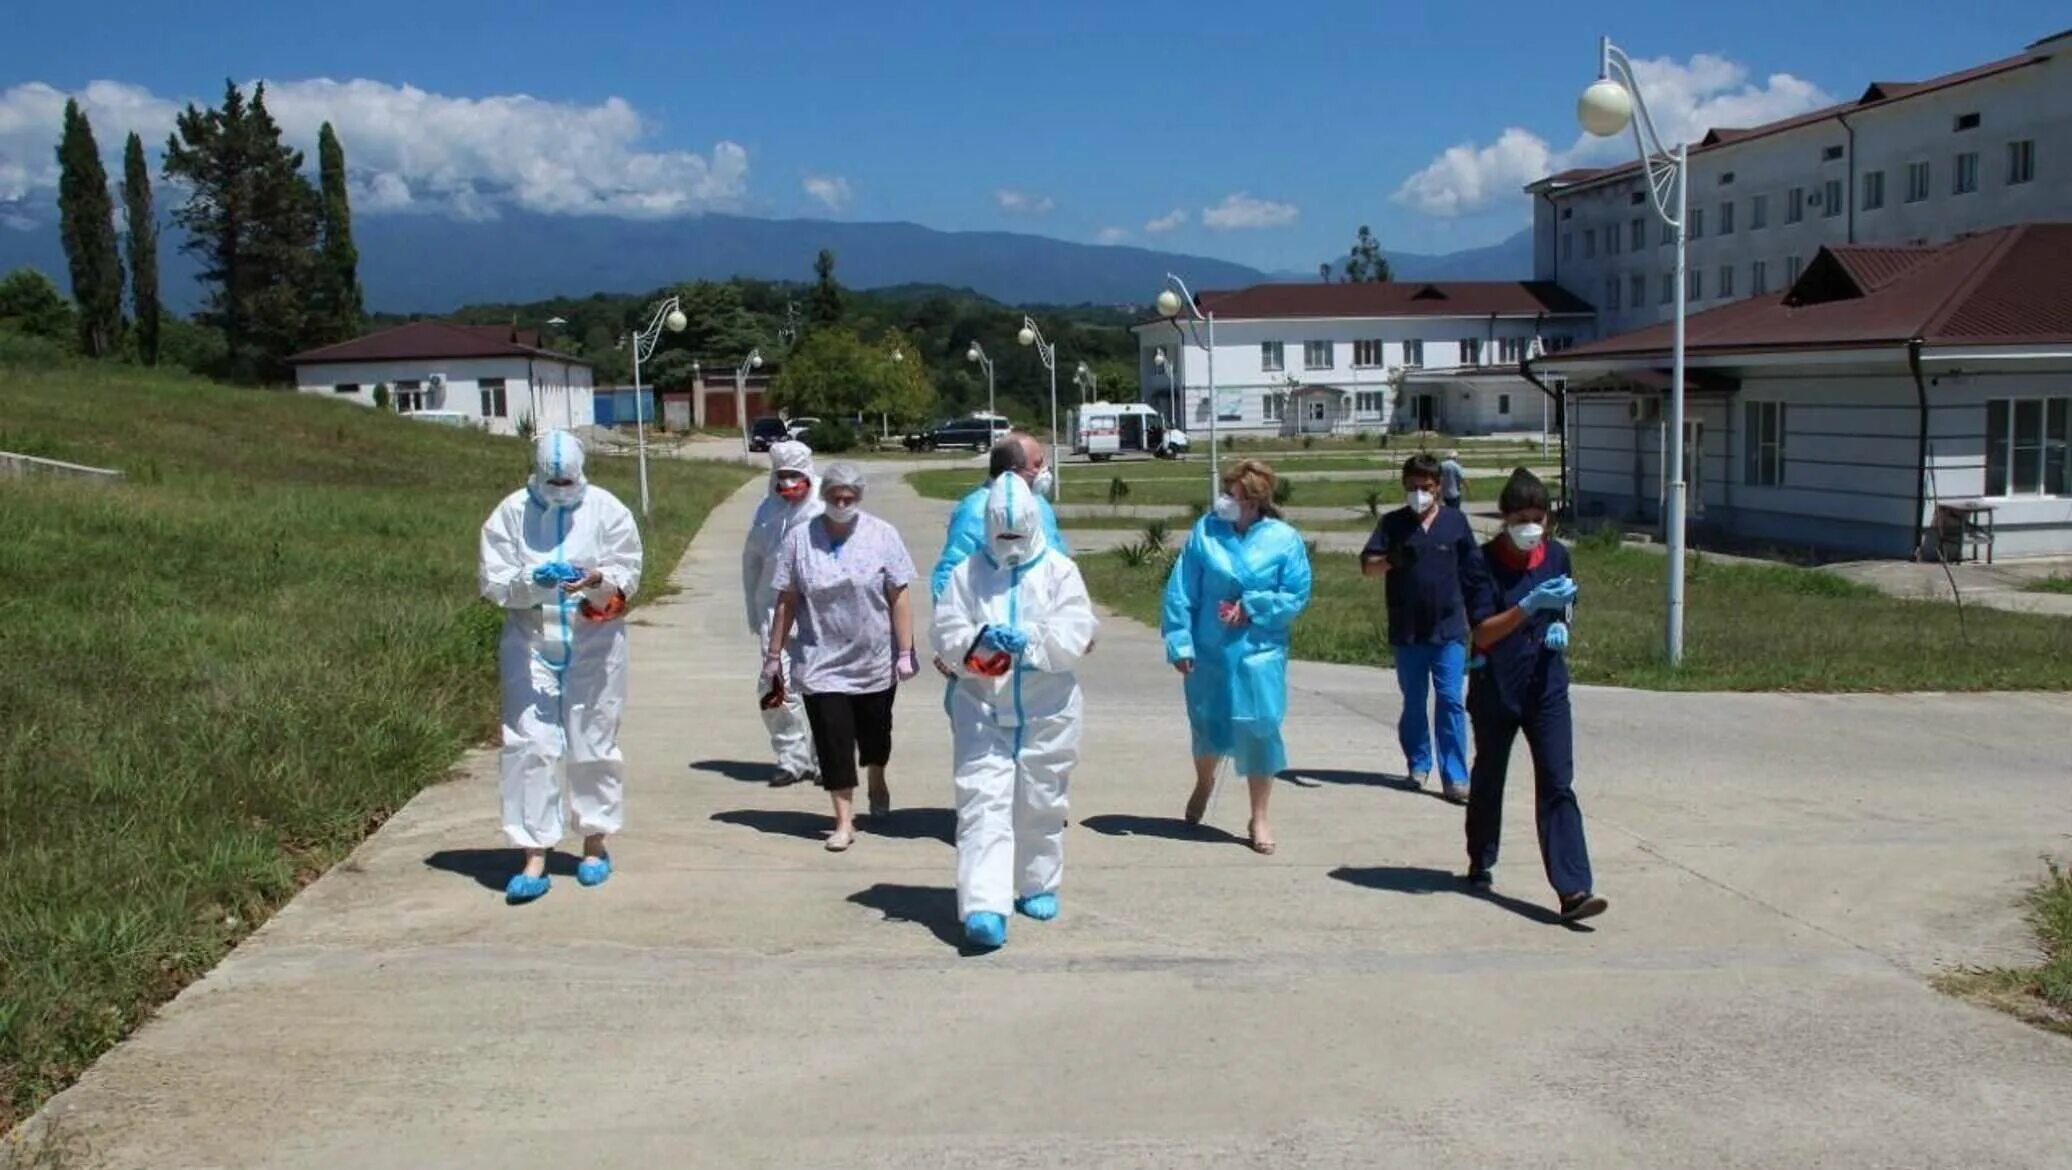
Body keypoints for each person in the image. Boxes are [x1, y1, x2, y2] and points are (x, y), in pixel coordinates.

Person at [478, 430, 644, 902]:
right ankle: (534, 852)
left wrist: (596, 580)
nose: (560, 489)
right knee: (529, 742)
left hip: (594, 638)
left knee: (593, 737)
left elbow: (627, 572)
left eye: (567, 481)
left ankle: (594, 844)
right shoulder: (510, 513)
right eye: (552, 481)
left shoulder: (607, 509)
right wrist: (532, 580)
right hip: (531, 638)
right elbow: (493, 581)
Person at [935, 474, 1098, 949]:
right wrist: (977, 642)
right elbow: (946, 633)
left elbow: (1077, 631)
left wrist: (1034, 644)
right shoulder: (967, 574)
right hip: (982, 706)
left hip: (1048, 710)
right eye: (1000, 535)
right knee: (982, 801)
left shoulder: (1060, 571)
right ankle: (985, 905)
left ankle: (1037, 883)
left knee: (1041, 800)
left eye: (1016, 534)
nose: (1008, 545)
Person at [1462, 469, 1605, 924]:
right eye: (1521, 517)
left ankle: (1573, 888)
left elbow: (1566, 601)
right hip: (1496, 685)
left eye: (1538, 517)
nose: (1531, 526)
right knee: (1489, 775)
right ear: (1504, 519)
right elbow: (1482, 632)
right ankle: (1481, 857)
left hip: (1545, 685)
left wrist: (1562, 621)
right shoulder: (1480, 562)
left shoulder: (1557, 555)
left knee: (1558, 782)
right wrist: (1525, 608)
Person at [763, 462, 920, 852]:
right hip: (820, 659)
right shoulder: (800, 539)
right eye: (835, 496)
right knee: (833, 740)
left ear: (860, 497)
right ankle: (844, 821)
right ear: (824, 495)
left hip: (873, 657)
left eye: (849, 497)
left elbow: (899, 595)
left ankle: (877, 778)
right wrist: (773, 654)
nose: (842, 502)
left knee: (875, 735)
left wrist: (905, 651)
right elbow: (786, 599)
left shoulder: (883, 535)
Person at [1161, 459, 1312, 855]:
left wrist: (1253, 606)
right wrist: (1180, 641)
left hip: (1259, 650)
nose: (1225, 500)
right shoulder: (1206, 532)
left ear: (1254, 500)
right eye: (1225, 492)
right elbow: (1182, 590)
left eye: (1233, 494)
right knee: (1207, 724)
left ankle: (1259, 816)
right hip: (1209, 648)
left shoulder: (1284, 539)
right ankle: (1204, 780)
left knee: (1261, 728)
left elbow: (1295, 593)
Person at [1361, 453, 1485, 804]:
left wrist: (1480, 613)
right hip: (1408, 630)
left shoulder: (1455, 523)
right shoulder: (1392, 525)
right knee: (1414, 701)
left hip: (1448, 629)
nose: (1420, 493)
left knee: (1450, 700)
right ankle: (1418, 762)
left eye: (1426, 488)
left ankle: (1455, 775)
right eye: (1413, 487)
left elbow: (1473, 571)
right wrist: (1391, 560)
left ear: (1439, 489)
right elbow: (1368, 568)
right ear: (1404, 486)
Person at [741, 440, 823, 786]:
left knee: (823, 688)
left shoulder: (823, 508)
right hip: (774, 610)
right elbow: (753, 562)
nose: (788, 483)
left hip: (817, 613)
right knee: (775, 686)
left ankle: (826, 758)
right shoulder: (767, 512)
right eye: (782, 476)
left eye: (795, 475)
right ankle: (792, 757)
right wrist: (753, 608)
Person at [930, 431, 1069, 602]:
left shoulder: (1039, 503)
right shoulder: (975, 510)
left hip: (1042, 613)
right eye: (1037, 465)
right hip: (996, 611)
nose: (1043, 471)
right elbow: (951, 575)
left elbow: (1057, 552)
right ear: (1013, 472)